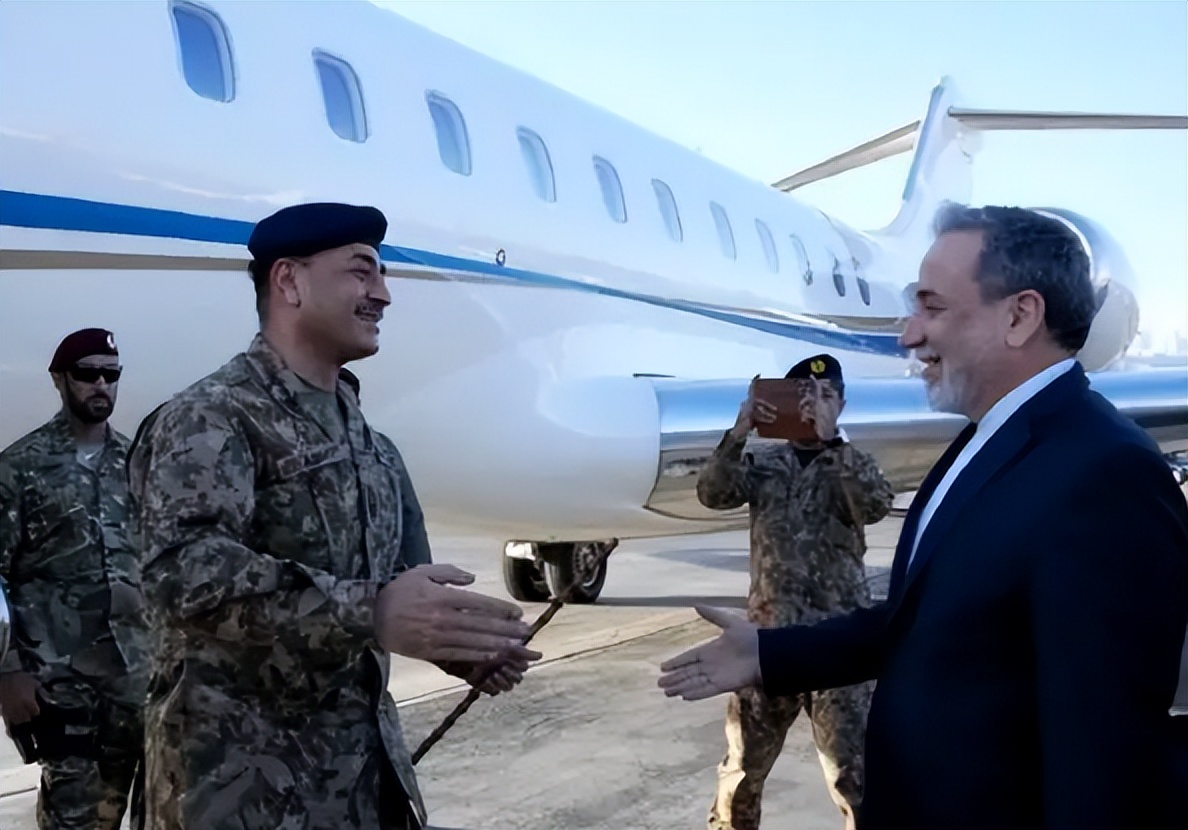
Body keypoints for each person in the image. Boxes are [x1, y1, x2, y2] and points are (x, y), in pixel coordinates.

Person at [659, 204, 1188, 829]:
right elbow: (930, 619)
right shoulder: (987, 441)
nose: (908, 335)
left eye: (931, 307)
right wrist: (770, 654)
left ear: (1020, 316)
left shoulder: (1105, 473)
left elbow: (1103, 754)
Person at [126, 203, 540, 830]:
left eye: (381, 274)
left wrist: (456, 645)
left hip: (366, 788)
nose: (383, 294)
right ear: (288, 281)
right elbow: (182, 574)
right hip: (239, 797)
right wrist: (370, 610)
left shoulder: (373, 446)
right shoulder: (211, 417)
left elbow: (398, 590)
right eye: (361, 271)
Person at [697, 354, 892, 830]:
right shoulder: (764, 464)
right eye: (803, 396)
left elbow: (874, 505)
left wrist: (833, 441)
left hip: (837, 648)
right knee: (741, 771)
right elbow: (713, 493)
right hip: (768, 643)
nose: (814, 406)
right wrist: (739, 431)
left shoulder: (852, 463)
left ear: (841, 404)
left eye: (826, 396)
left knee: (854, 777)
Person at [0, 328, 148, 830]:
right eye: (87, 373)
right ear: (60, 379)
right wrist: (8, 672)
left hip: (135, 676)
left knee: (150, 810)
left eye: (111, 374)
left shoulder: (135, 464)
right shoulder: (20, 468)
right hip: (59, 682)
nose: (100, 384)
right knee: (74, 817)